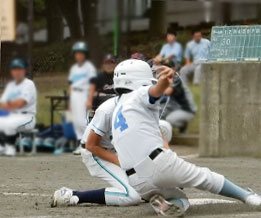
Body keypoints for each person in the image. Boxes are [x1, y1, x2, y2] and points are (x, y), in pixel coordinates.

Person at [110, 59, 261, 218]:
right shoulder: (138, 95)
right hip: (158, 162)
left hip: (136, 181)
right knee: (206, 177)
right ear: (139, 78)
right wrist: (166, 80)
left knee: (179, 198)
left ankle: (166, 204)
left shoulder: (118, 108)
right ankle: (250, 198)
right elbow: (155, 92)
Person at [51, 63, 173, 207]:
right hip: (96, 153)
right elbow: (91, 145)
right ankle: (74, 195)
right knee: (130, 196)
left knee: (158, 184)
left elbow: (158, 134)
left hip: (118, 149)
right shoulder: (107, 110)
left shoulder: (141, 107)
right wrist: (124, 163)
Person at [0, 58, 37, 156]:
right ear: (11, 71)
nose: (17, 72)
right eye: (14, 69)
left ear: (24, 70)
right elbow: (3, 104)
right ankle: (2, 146)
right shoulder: (10, 85)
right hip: (13, 114)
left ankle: (10, 147)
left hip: (27, 117)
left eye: (19, 69)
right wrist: (12, 103)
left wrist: (10, 103)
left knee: (9, 123)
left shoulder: (28, 84)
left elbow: (21, 103)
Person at [68, 41, 97, 155]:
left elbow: (93, 83)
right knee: (75, 121)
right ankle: (81, 144)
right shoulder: (74, 68)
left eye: (81, 53)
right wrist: (70, 100)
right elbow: (70, 84)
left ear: (85, 55)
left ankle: (89, 143)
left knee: (82, 120)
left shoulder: (89, 67)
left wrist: (90, 99)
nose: (79, 55)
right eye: (77, 53)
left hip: (83, 94)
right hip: (74, 94)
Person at [162, 60, 197, 133]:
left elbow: (166, 92)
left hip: (187, 110)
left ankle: (182, 124)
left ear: (174, 69)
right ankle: (169, 131)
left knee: (169, 120)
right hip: (175, 108)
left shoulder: (177, 79)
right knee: (159, 115)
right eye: (164, 67)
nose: (166, 69)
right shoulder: (166, 79)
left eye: (169, 67)